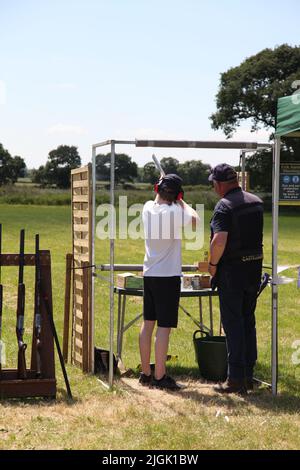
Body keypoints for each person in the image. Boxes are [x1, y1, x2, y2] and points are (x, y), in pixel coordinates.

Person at [139, 173, 199, 390]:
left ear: (157, 189)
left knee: (148, 325)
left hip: (150, 274)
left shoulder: (147, 207)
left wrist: (167, 190)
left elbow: (156, 199)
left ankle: (146, 373)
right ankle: (160, 376)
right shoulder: (176, 211)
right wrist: (182, 200)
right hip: (168, 277)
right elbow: (196, 220)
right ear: (177, 195)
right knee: (164, 328)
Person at [208, 163, 263, 395]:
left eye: (213, 184)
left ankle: (235, 379)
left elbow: (219, 240)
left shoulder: (224, 206)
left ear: (220, 184)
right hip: (254, 269)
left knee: (233, 324)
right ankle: (249, 375)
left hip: (232, 272)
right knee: (248, 321)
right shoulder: (256, 201)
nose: (214, 188)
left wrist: (212, 266)